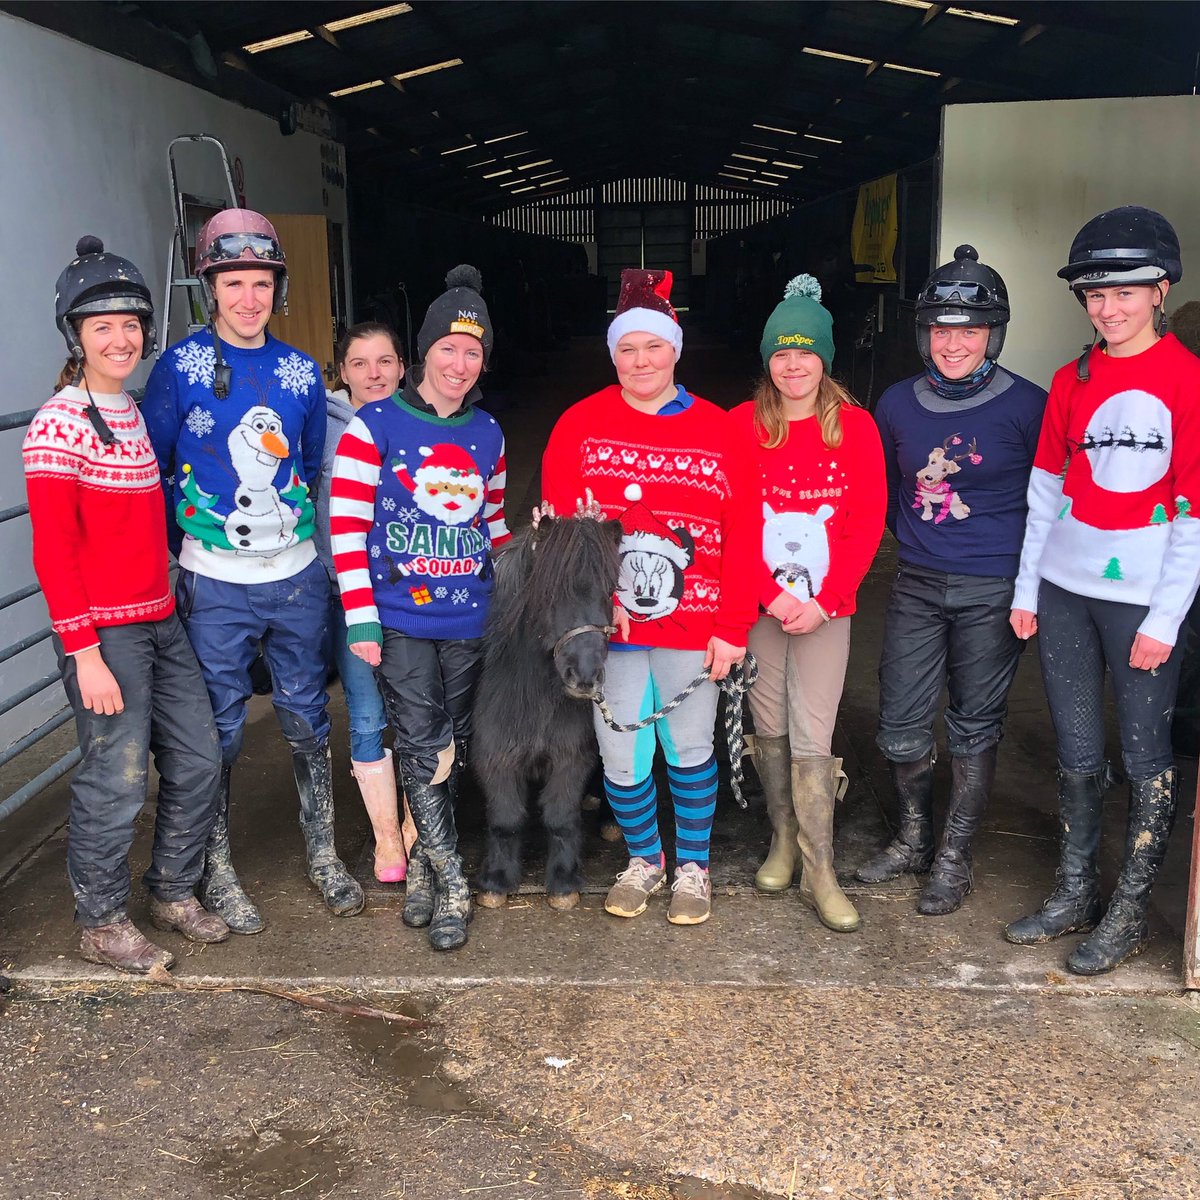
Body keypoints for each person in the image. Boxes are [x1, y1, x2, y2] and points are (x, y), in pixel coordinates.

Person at [142, 209, 363, 935]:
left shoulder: (300, 372)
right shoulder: (179, 369)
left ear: (278, 289)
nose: (248, 298)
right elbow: (156, 465)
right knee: (221, 725)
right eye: (233, 283)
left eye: (261, 283)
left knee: (306, 715)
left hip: (295, 575)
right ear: (211, 287)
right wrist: (184, 550)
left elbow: (306, 461)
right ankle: (217, 866)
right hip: (214, 579)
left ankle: (322, 852)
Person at [23, 236, 227, 973]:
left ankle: (171, 889)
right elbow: (53, 553)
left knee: (200, 759)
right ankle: (102, 922)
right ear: (75, 337)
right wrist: (84, 655)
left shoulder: (132, 413)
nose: (121, 338)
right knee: (116, 776)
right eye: (102, 326)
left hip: (158, 618)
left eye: (131, 324)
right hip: (104, 635)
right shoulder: (58, 425)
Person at [1005, 207, 1200, 974]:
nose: (1108, 309)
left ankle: (1131, 912)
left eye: (1124, 293)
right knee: (1078, 747)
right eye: (1094, 295)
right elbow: (1045, 493)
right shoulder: (1071, 379)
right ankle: (1077, 889)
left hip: (1142, 598)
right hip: (1064, 590)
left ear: (1159, 291)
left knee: (1147, 751)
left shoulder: (1188, 381)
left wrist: (1167, 616)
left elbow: (1194, 512)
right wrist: (1027, 589)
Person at [541, 268, 758, 926]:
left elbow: (744, 533)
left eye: (654, 347)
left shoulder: (721, 429)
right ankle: (645, 859)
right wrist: (584, 616)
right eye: (628, 348)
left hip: (695, 625)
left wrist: (734, 626)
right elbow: (560, 537)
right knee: (621, 753)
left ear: (675, 350)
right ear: (613, 355)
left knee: (690, 749)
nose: (641, 361)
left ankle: (694, 866)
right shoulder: (578, 425)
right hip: (613, 632)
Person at [861, 245, 1047, 915]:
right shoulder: (896, 404)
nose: (953, 344)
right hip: (916, 580)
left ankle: (954, 855)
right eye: (941, 330)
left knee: (974, 723)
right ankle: (914, 839)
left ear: (993, 334)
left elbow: (1050, 502)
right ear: (924, 334)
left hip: (993, 586)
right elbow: (885, 489)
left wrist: (1029, 587)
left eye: (970, 331)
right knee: (902, 717)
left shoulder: (1029, 406)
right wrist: (918, 540)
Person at [330, 266, 511, 950]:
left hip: (471, 617)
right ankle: (452, 879)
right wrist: (361, 616)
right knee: (420, 740)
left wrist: (527, 565)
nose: (459, 364)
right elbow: (346, 528)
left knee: (454, 743)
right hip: (400, 618)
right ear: (424, 352)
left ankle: (425, 874)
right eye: (448, 348)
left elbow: (493, 527)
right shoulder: (374, 425)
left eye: (473, 352)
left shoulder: (488, 433)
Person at [730, 275, 887, 932]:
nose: (793, 365)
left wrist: (824, 601)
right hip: (762, 605)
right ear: (768, 359)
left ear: (824, 358)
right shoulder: (743, 426)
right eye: (781, 353)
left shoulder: (856, 428)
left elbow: (866, 523)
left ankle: (821, 864)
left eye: (805, 352)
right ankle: (782, 840)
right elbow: (734, 522)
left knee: (814, 729)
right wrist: (768, 594)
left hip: (826, 610)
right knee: (769, 723)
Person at [315, 322, 418, 882]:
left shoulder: (423, 419)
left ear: (403, 367)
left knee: (422, 707)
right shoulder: (321, 426)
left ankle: (418, 823)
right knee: (366, 709)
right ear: (343, 372)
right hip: (347, 593)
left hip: (416, 593)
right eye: (359, 363)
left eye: (385, 362)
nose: (374, 374)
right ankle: (386, 837)